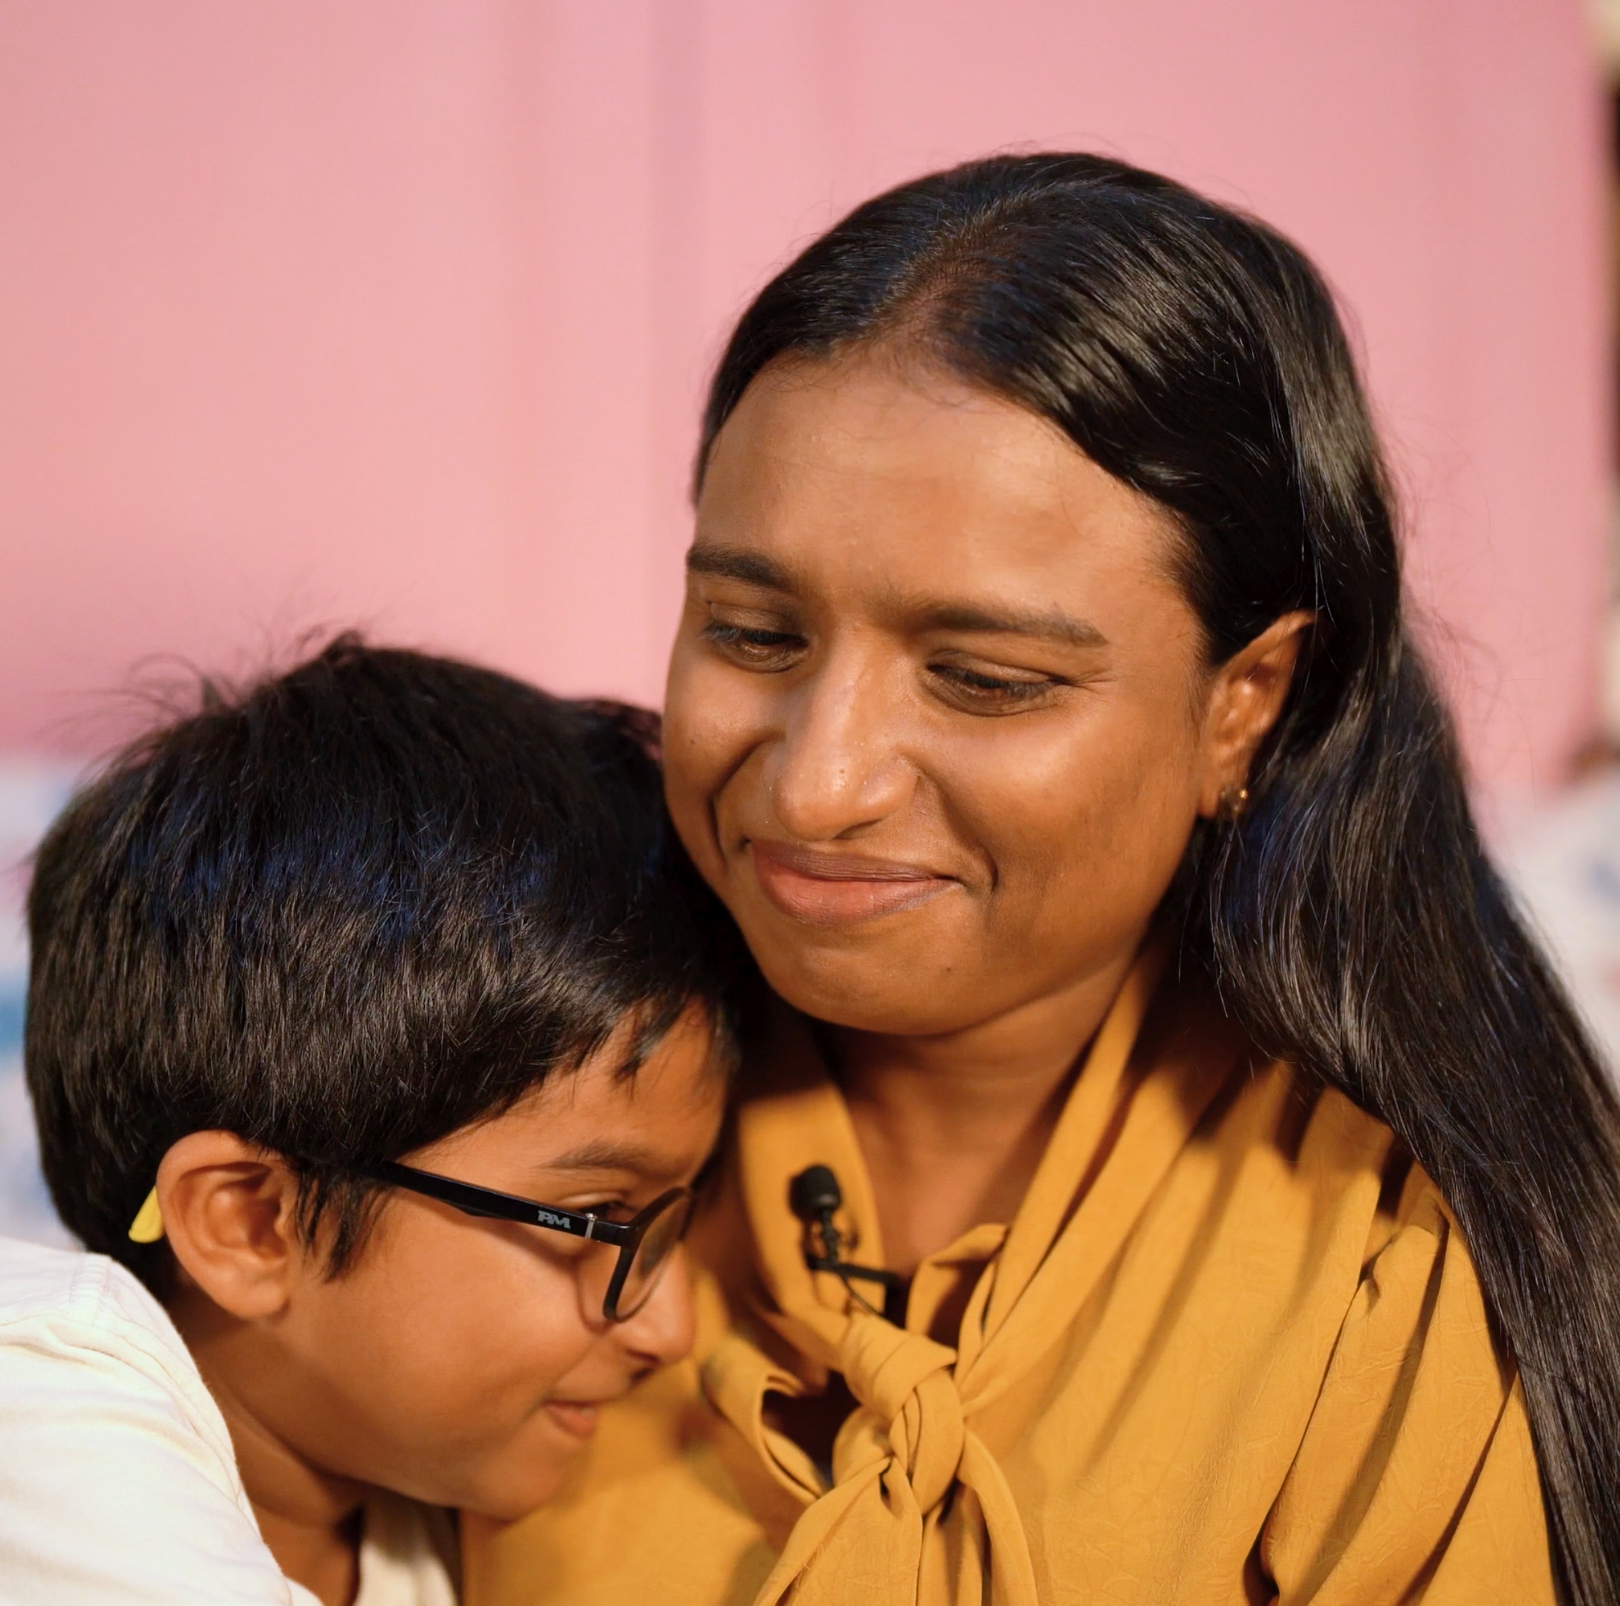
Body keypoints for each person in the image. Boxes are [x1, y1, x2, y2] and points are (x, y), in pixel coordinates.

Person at [466, 156, 1620, 1605]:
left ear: (1242, 705)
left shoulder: (1399, 1277)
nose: (819, 784)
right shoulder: (474, 1118)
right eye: (755, 635)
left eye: (984, 680)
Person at [4, 639, 740, 1606]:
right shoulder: (42, 1395)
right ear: (251, 1222)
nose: (671, 1331)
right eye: (603, 1216)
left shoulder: (418, 1517)